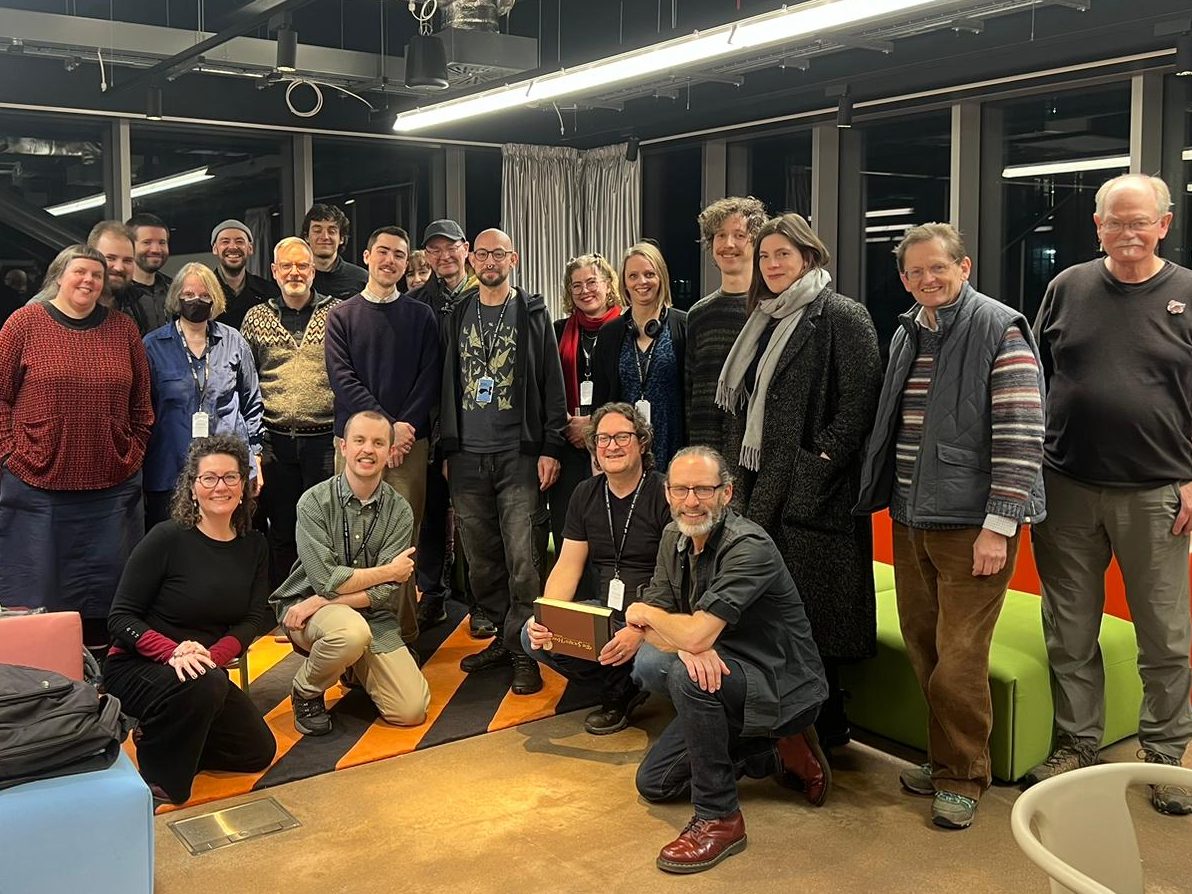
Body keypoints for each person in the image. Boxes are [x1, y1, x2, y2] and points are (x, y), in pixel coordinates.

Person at [855, 222, 1045, 830]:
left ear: (964, 267)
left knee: (961, 657)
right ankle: (946, 760)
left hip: (971, 527)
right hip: (912, 517)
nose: (926, 280)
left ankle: (964, 776)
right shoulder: (911, 330)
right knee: (925, 646)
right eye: (914, 272)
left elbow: (1021, 433)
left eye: (938, 268)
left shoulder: (999, 327)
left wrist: (1001, 525)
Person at [1027, 173, 1192, 815]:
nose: (1127, 233)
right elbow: (1038, 372)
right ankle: (1078, 745)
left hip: (1156, 492)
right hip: (1065, 484)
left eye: (1139, 221)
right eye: (1114, 222)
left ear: (1164, 224)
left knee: (1164, 635)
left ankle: (1164, 752)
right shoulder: (1067, 287)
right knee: (1069, 629)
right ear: (1097, 227)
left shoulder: (1187, 292)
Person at [717, 213, 881, 748]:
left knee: (816, 620)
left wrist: (816, 470)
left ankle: (828, 731)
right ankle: (786, 733)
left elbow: (860, 406)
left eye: (783, 254)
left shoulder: (842, 316)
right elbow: (743, 411)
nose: (772, 265)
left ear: (809, 256)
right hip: (760, 486)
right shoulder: (760, 319)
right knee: (774, 617)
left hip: (815, 496)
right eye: (765, 257)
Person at [627, 446, 829, 874]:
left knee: (686, 674)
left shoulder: (748, 546)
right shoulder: (673, 537)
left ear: (727, 492)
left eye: (703, 489)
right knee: (655, 784)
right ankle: (775, 753)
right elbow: (671, 630)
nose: (691, 501)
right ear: (667, 493)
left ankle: (720, 819)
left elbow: (677, 625)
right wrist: (685, 643)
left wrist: (650, 617)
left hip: (781, 685)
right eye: (681, 489)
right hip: (725, 673)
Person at [104, 436, 275, 805]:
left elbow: (252, 618)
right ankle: (162, 783)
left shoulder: (255, 546)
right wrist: (174, 651)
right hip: (139, 664)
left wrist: (210, 658)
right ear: (193, 487)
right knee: (206, 685)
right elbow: (120, 617)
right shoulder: (166, 538)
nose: (221, 487)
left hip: (204, 671)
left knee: (257, 752)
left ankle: (162, 732)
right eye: (209, 478)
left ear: (244, 486)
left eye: (231, 478)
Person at [0, 244, 152, 652]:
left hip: (111, 488)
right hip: (36, 486)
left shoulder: (122, 329)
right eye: (79, 272)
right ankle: (45, 684)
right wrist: (8, 452)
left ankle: (104, 677)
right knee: (35, 598)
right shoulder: (23, 324)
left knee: (109, 597)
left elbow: (141, 401)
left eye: (97, 275)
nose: (88, 280)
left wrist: (134, 448)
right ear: (59, 275)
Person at [439, 228, 567, 696]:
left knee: (523, 559)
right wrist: (448, 447)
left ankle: (523, 651)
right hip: (467, 456)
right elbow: (445, 383)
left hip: (518, 455)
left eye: (499, 254)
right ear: (471, 259)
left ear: (513, 258)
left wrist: (551, 446)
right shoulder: (456, 313)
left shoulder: (532, 311)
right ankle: (499, 634)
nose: (490, 261)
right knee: (481, 559)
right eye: (483, 253)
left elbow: (553, 383)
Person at [270, 410, 431, 737]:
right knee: (350, 634)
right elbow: (328, 580)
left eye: (377, 443)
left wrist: (320, 601)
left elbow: (385, 592)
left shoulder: (399, 510)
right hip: (303, 614)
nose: (367, 450)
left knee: (411, 711)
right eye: (359, 440)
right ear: (342, 446)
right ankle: (307, 689)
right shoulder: (313, 503)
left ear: (389, 452)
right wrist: (388, 571)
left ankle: (351, 666)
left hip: (368, 615)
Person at [325, 226, 441, 643]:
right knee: (352, 541)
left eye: (399, 255)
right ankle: (354, 634)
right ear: (368, 255)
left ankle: (402, 636)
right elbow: (343, 380)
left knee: (401, 546)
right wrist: (386, 430)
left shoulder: (421, 316)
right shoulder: (341, 316)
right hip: (357, 444)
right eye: (384, 252)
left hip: (409, 444)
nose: (390, 260)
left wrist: (402, 431)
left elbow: (429, 378)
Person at [523, 403, 669, 733]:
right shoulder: (586, 494)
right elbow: (567, 566)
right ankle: (622, 687)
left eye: (622, 437)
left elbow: (674, 579)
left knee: (649, 661)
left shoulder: (663, 493)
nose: (612, 446)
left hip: (656, 617)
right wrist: (548, 616)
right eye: (603, 438)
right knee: (531, 635)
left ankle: (623, 689)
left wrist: (640, 629)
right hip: (606, 612)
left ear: (642, 442)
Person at [241, 237, 340, 587]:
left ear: (313, 271)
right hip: (275, 442)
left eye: (302, 265)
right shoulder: (255, 318)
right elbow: (245, 381)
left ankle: (322, 599)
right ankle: (287, 602)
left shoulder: (338, 314)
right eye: (287, 266)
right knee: (281, 528)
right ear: (274, 271)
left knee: (324, 527)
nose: (294, 272)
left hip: (325, 441)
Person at [142, 262, 264, 529]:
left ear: (215, 298)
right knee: (172, 544)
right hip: (169, 467)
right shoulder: (152, 346)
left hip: (225, 468)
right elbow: (143, 409)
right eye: (188, 295)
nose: (196, 301)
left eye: (204, 295)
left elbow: (251, 402)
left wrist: (255, 457)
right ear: (176, 298)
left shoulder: (234, 341)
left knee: (226, 538)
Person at [407, 218, 481, 632]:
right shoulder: (418, 303)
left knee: (474, 516)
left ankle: (480, 600)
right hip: (430, 426)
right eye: (434, 250)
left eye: (450, 247)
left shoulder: (486, 297)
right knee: (432, 516)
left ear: (465, 249)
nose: (443, 256)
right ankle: (432, 593)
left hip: (476, 425)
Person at [549, 253, 623, 591]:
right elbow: (546, 387)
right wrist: (567, 425)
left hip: (613, 445)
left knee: (611, 529)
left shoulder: (626, 328)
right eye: (576, 285)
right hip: (568, 446)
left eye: (591, 282)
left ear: (608, 285)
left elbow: (630, 387)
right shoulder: (557, 331)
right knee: (570, 528)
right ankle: (574, 616)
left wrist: (593, 425)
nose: (584, 290)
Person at [591, 243, 687, 470]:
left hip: (674, 445)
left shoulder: (684, 326)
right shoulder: (610, 333)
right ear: (624, 283)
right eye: (633, 275)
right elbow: (601, 400)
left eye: (649, 274)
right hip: (624, 447)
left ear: (661, 277)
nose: (641, 282)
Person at [686, 196, 767, 458]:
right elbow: (690, 389)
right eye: (720, 235)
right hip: (705, 449)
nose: (728, 244)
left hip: (756, 450)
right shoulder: (698, 314)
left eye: (739, 235)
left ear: (756, 242)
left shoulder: (773, 309)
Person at [211, 219, 280, 330]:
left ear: (250, 249)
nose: (233, 247)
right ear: (215, 249)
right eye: (225, 241)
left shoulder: (269, 293)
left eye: (239, 241)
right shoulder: (203, 292)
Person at [302, 204, 369, 299]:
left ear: (341, 238)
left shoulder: (361, 279)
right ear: (306, 237)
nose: (324, 237)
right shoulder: (297, 279)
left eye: (331, 231)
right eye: (317, 231)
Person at [123, 212, 173, 333]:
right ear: (129, 245)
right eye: (147, 242)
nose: (156, 250)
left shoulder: (174, 290)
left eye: (162, 242)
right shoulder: (117, 295)